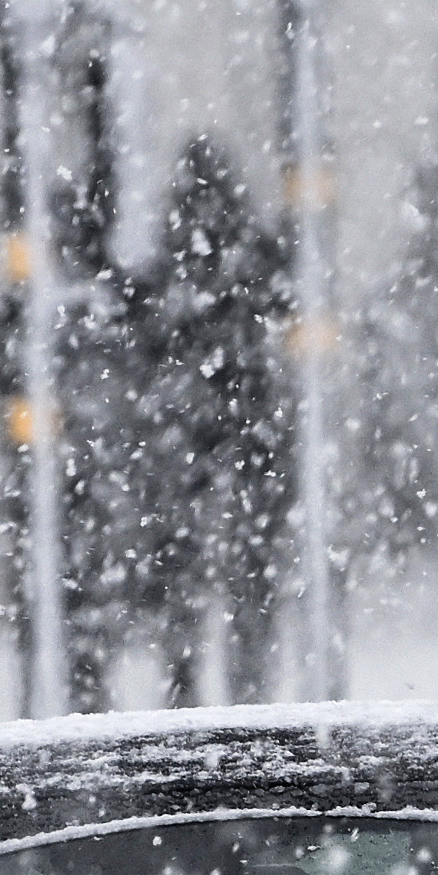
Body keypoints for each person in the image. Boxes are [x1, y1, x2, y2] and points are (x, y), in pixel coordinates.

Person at [127, 139, 295, 702]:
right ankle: (240, 689)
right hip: (242, 424)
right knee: (245, 570)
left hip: (199, 427)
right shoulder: (248, 259)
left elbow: (146, 331)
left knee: (190, 567)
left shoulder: (178, 265)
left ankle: (191, 688)